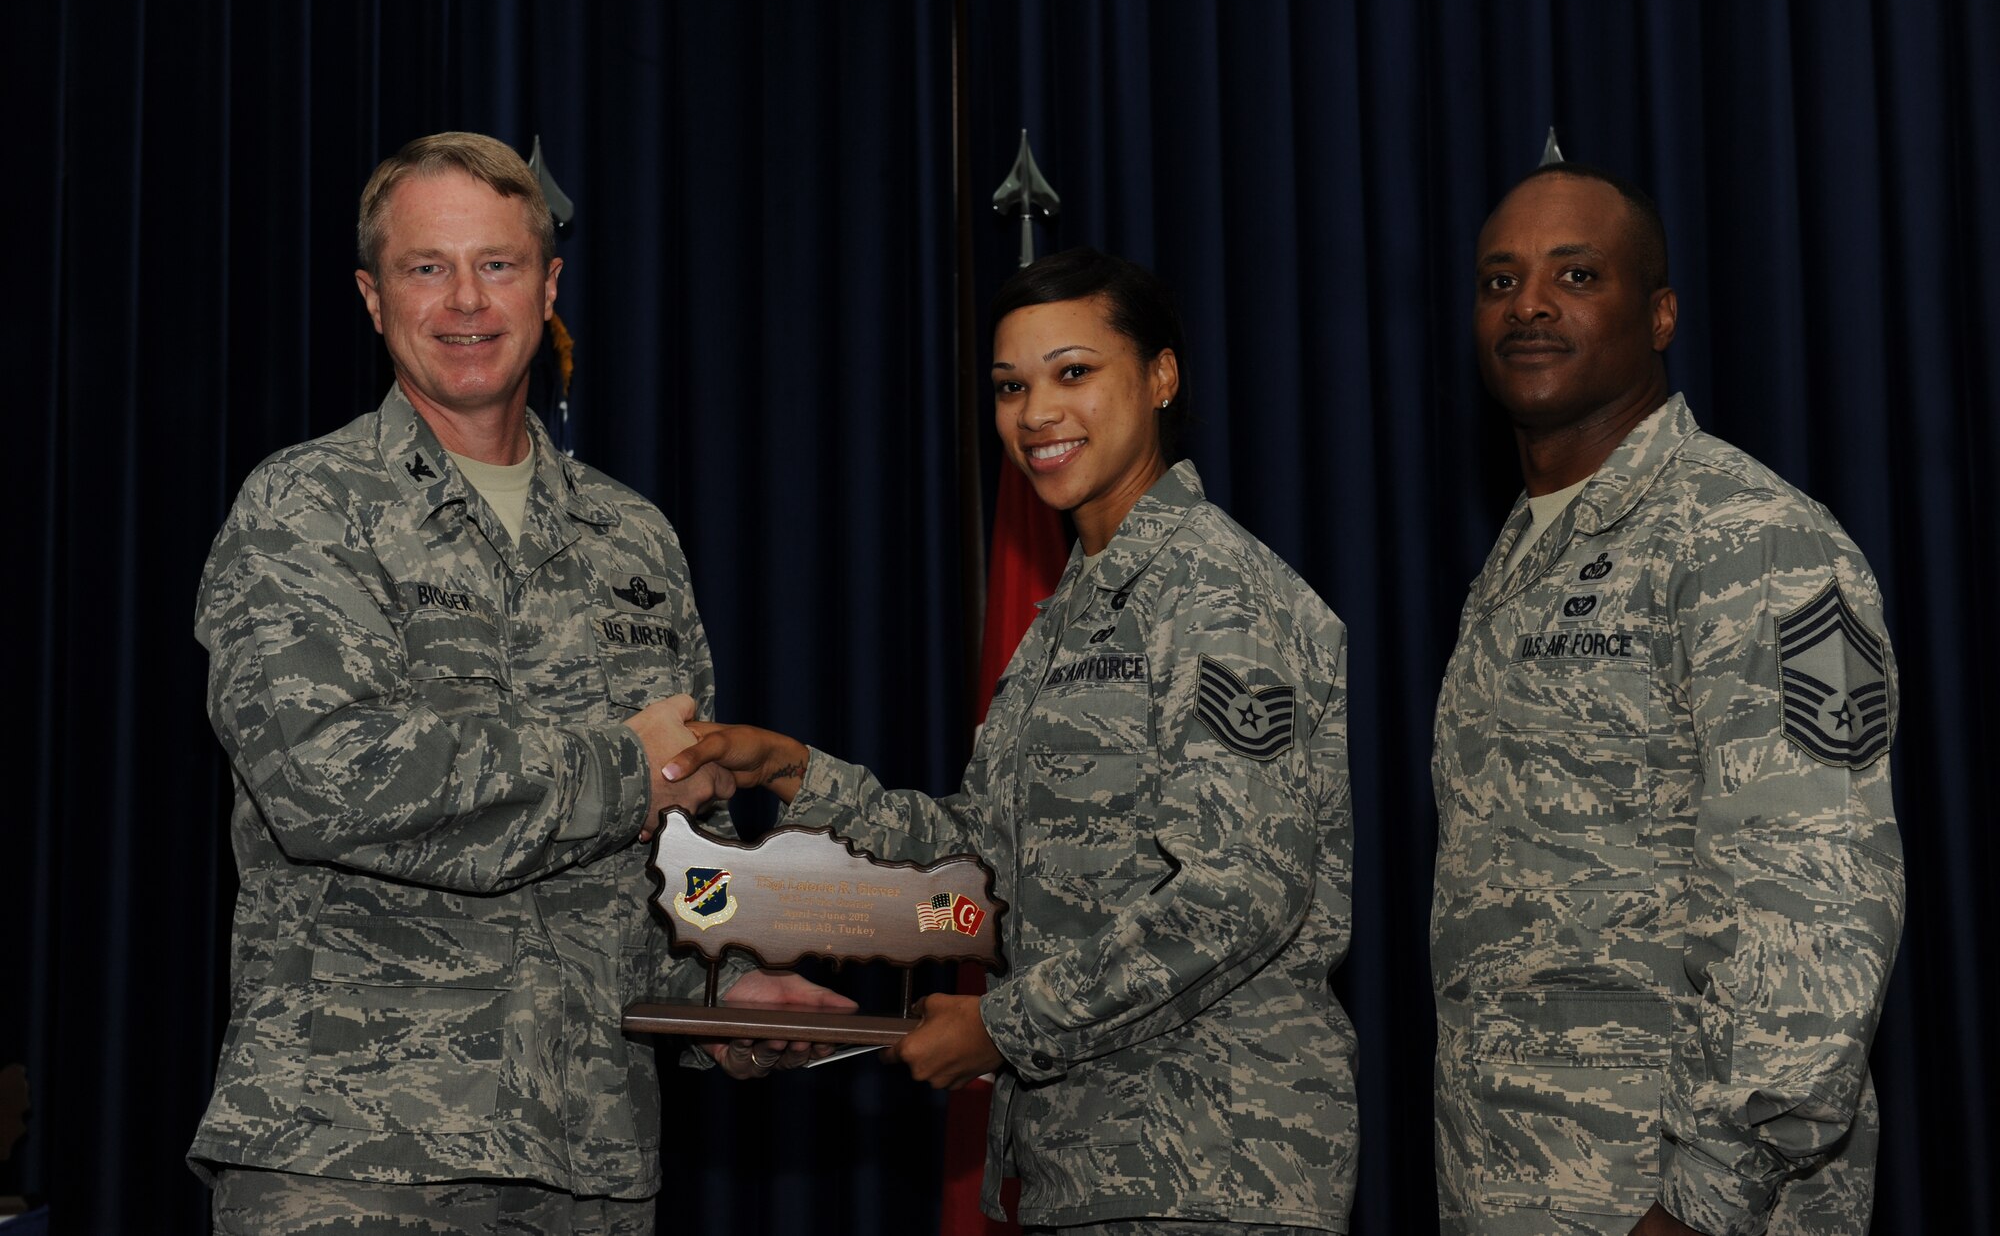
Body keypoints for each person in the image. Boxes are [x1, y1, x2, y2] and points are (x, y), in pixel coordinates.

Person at [191, 132, 848, 1235]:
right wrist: (617, 768)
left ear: (548, 285)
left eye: (496, 264)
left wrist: (726, 983)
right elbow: (326, 781)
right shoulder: (306, 508)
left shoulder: (631, 537)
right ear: (370, 294)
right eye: (425, 266)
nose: (464, 301)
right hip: (354, 1155)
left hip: (589, 1157)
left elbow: (693, 825)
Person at [668, 248, 1359, 1234]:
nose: (1036, 413)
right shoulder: (1071, 615)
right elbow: (978, 860)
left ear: (1160, 377)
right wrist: (792, 771)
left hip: (1213, 1163)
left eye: (1072, 372)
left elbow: (1238, 892)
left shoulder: (1220, 595)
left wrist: (999, 1026)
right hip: (1087, 1164)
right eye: (1009, 386)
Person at [1431, 163, 1904, 1236]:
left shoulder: (1754, 540)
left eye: (1575, 273)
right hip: (1512, 1185)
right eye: (1498, 280)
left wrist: (1704, 1197)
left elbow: (1817, 898)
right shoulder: (1512, 565)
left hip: (1675, 1201)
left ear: (1658, 313)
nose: (1529, 302)